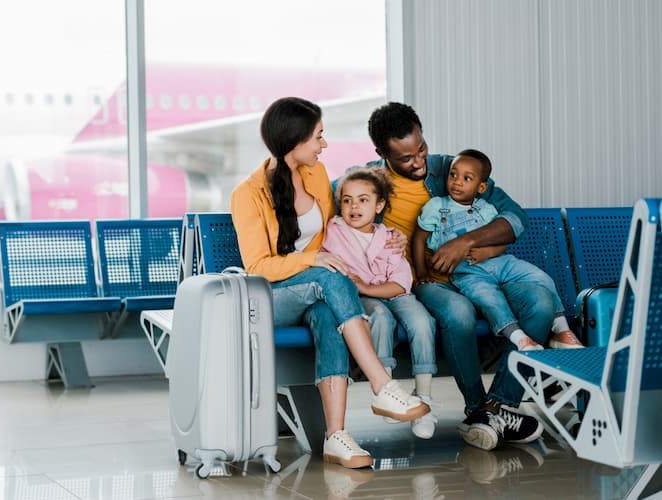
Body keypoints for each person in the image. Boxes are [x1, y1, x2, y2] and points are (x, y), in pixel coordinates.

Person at [230, 97, 430, 469]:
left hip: (318, 291)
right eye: (318, 136)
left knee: (327, 316)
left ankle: (335, 435)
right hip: (273, 297)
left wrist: (391, 238)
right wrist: (313, 259)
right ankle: (382, 385)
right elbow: (258, 266)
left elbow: (357, 212)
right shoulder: (247, 194)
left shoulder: (317, 174)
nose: (324, 144)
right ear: (295, 140)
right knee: (327, 276)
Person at [364, 101, 550, 452]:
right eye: (406, 158)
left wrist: (466, 243)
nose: (419, 162)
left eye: (422, 149)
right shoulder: (367, 180)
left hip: (481, 269)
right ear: (381, 153)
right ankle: (479, 408)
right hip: (425, 280)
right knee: (459, 313)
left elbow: (516, 218)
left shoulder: (452, 168)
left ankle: (493, 409)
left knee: (540, 303)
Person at [413, 148, 584, 352]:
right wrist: (422, 273)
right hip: (468, 273)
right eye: (453, 175)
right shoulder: (436, 206)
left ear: (481, 187)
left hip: (501, 263)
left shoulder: (486, 209)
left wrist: (489, 252)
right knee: (490, 299)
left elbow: (504, 239)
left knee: (541, 278)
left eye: (467, 178)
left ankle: (562, 331)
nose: (457, 182)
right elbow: (419, 239)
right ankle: (520, 339)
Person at [321, 166, 438, 439]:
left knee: (422, 321)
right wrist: (362, 289)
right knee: (381, 318)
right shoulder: (333, 230)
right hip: (359, 299)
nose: (354, 207)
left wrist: (366, 285)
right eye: (347, 200)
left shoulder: (389, 237)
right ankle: (387, 392)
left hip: (390, 292)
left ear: (379, 205)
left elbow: (400, 283)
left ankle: (425, 396)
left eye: (363, 200)